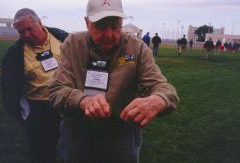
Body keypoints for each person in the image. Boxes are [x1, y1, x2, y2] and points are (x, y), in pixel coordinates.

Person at [48, 0, 179, 162]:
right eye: (101, 26)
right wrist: (83, 101)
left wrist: (159, 99)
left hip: (121, 132)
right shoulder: (73, 44)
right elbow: (57, 90)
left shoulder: (136, 48)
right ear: (87, 23)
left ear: (122, 23)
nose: (109, 34)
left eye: (115, 26)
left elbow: (162, 87)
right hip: (78, 131)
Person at [1, 8, 68, 163]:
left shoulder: (62, 37)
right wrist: (24, 116)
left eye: (29, 29)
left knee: (71, 150)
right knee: (42, 154)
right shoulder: (15, 53)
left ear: (40, 23)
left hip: (68, 105)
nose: (26, 35)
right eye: (21, 32)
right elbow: (9, 90)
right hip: (40, 111)